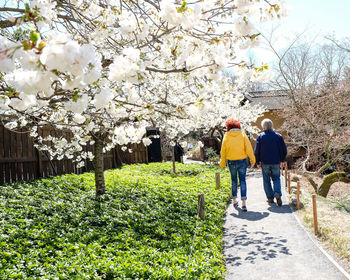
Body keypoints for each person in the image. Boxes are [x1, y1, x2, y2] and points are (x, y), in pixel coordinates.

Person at [220, 118, 256, 212]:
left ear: (228, 127)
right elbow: (248, 148)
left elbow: (223, 151)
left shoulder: (226, 136)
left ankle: (235, 200)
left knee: (234, 181)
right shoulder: (243, 134)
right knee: (243, 180)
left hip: (231, 161)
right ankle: (244, 203)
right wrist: (253, 160)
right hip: (242, 161)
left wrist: (222, 164)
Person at [254, 118, 287, 206]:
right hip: (276, 161)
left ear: (263, 126)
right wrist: (283, 160)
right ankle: (277, 193)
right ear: (272, 125)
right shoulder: (278, 136)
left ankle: (270, 198)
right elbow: (284, 149)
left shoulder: (260, 137)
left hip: (265, 162)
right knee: (276, 178)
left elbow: (257, 151)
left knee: (266, 180)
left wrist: (257, 162)